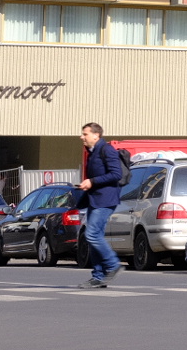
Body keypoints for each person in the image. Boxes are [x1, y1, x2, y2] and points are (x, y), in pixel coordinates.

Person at [76, 122, 129, 287]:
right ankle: (98, 276)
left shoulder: (107, 150)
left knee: (91, 234)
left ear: (96, 135)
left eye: (85, 134)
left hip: (105, 200)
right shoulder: (92, 152)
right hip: (95, 199)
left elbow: (115, 174)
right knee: (93, 237)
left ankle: (113, 265)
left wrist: (92, 181)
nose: (81, 137)